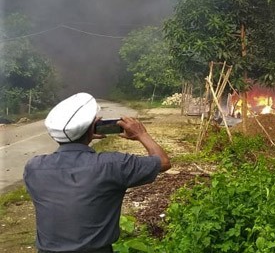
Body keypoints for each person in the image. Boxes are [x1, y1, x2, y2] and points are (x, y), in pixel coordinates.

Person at [24, 93, 171, 253]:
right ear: (92, 128)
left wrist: (83, 136)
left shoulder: (34, 168)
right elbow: (163, 162)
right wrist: (141, 134)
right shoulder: (113, 164)